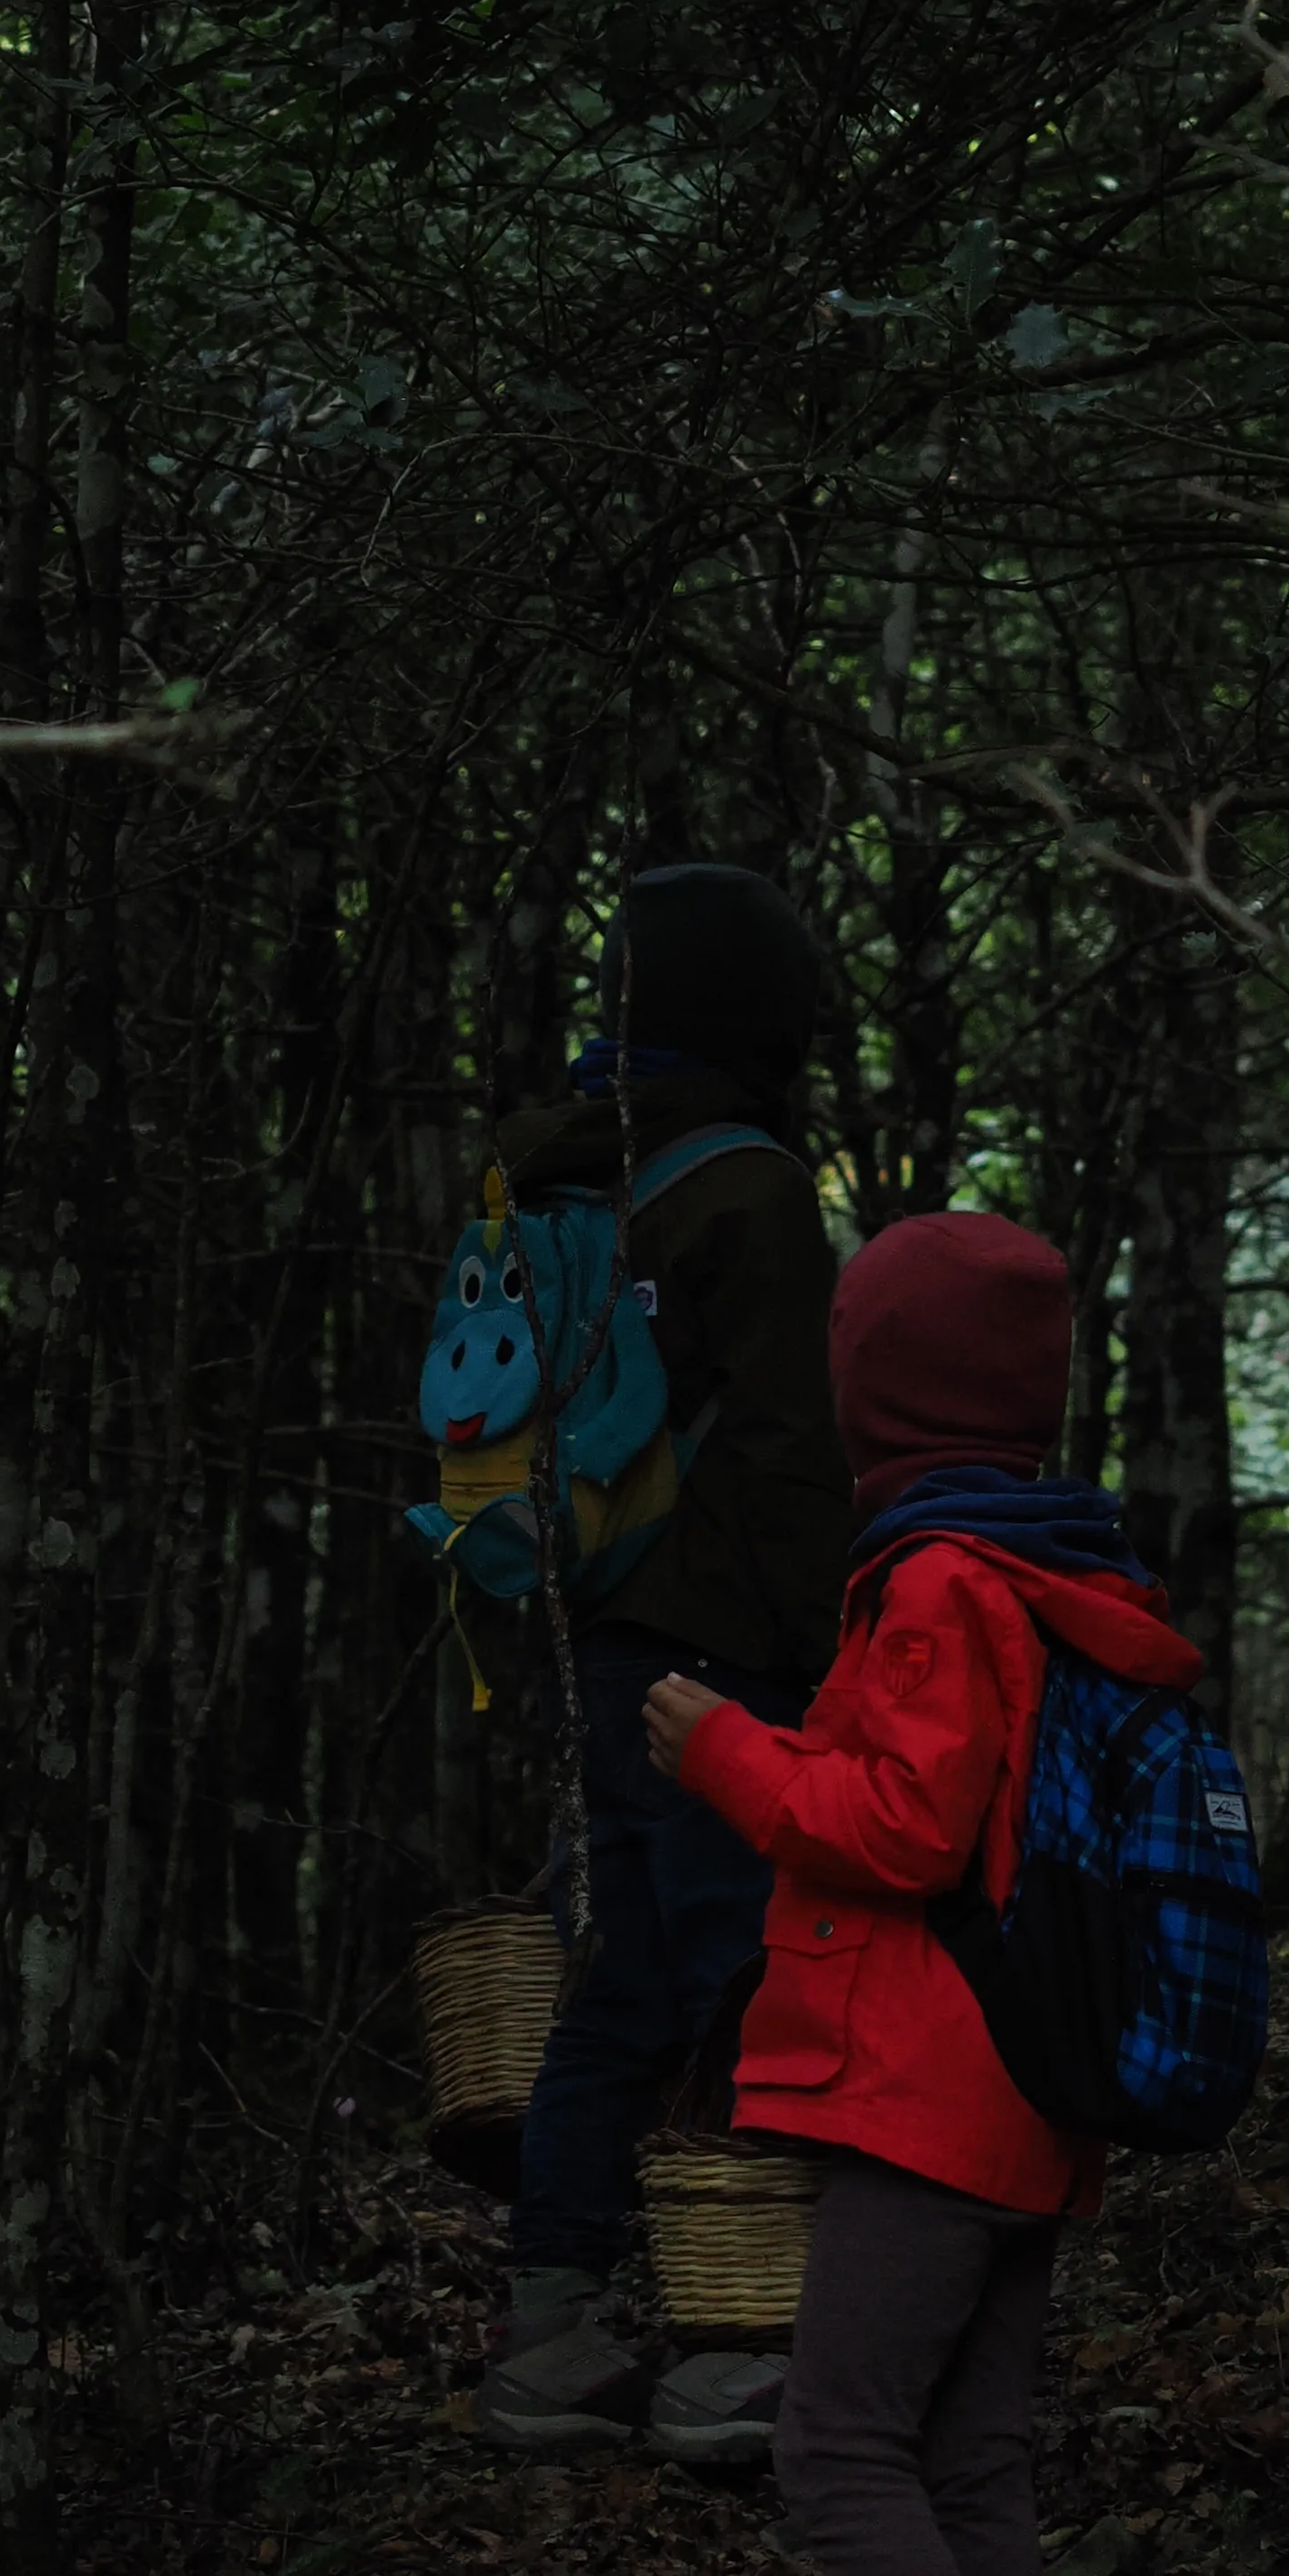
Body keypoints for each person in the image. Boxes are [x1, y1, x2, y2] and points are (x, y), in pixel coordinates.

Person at [644, 1208, 1201, 2576]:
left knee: (836, 2440)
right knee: (968, 2454)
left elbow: (898, 1826)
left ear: (877, 1387)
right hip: (1020, 2088)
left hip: (932, 2092)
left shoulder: (944, 1583)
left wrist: (721, 1750)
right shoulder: (1047, 1568)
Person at [479, 865, 849, 2457]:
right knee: (740, 1971)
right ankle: (733, 2341)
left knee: (624, 1975)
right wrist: (833, 1661)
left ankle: (551, 2329)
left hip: (600, 1636)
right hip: (721, 1657)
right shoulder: (748, 1188)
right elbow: (790, 1454)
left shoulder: (568, 1172)